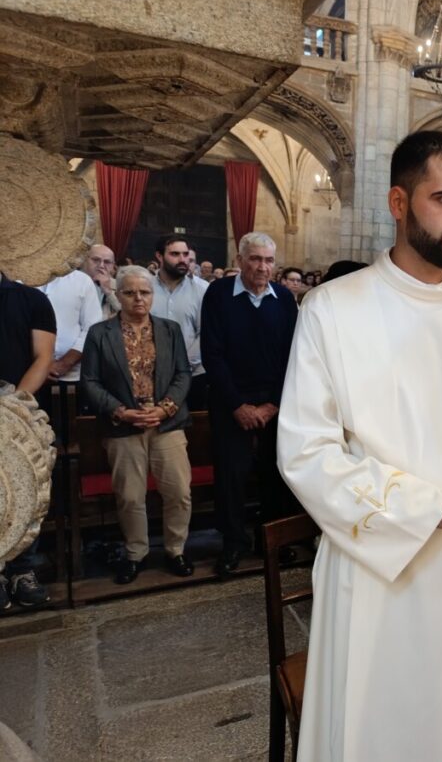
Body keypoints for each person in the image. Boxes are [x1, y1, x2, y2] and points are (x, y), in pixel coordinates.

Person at [276, 130, 442, 760]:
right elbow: (307, 451)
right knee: (377, 725)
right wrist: (432, 507)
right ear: (398, 201)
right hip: (377, 565)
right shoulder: (334, 309)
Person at [80, 266, 194, 583]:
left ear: (152, 295)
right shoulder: (100, 334)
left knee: (179, 492)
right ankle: (136, 553)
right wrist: (121, 411)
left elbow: (183, 374)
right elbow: (89, 381)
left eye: (144, 292)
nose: (138, 299)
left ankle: (176, 550)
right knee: (130, 496)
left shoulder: (169, 329)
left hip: (166, 424)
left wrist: (165, 408)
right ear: (118, 296)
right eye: (130, 293)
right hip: (123, 426)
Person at [200, 231, 299, 578]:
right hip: (231, 401)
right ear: (240, 260)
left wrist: (272, 404)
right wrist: (238, 405)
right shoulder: (218, 294)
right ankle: (233, 544)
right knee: (231, 476)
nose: (262, 267)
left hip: (275, 402)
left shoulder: (284, 299)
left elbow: (293, 356)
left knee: (276, 473)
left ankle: (272, 542)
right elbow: (212, 354)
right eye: (255, 259)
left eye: (269, 260)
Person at [0, 271, 56, 610]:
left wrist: (12, 407)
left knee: (26, 490)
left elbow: (43, 357)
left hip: (21, 409)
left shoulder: (32, 299)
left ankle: (22, 571)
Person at [151, 236, 209, 410]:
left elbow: (205, 333)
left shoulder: (202, 289)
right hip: (150, 372)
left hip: (192, 373)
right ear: (159, 256)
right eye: (175, 254)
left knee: (192, 427)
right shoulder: (145, 287)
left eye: (185, 254)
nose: (182, 259)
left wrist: (182, 366)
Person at [83, 244, 121, 318]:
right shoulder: (74, 283)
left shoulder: (119, 286)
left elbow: (129, 313)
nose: (101, 265)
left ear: (113, 265)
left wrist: (109, 293)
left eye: (107, 262)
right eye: (96, 260)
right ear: (85, 260)